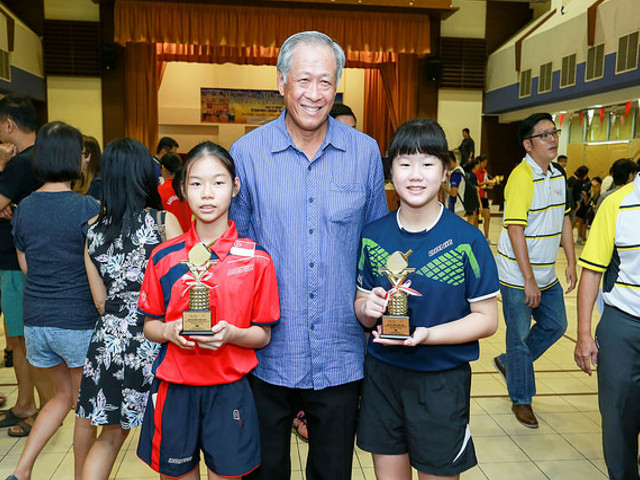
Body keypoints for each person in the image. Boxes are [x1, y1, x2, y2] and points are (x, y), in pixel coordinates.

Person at [229, 31, 387, 480]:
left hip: (341, 353)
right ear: (281, 82)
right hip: (268, 353)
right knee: (263, 472)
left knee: (333, 472)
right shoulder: (247, 153)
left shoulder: (365, 152)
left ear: (337, 86)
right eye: (304, 80)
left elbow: (374, 249)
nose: (315, 94)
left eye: (326, 82)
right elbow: (238, 253)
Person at [354, 118, 499, 480]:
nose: (415, 175)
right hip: (382, 377)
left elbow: (487, 318)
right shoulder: (373, 236)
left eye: (427, 163)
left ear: (445, 171)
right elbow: (361, 308)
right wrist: (367, 308)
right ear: (391, 171)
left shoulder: (468, 240)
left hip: (440, 380)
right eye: (404, 163)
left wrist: (428, 335)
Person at [137, 141, 280, 479]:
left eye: (218, 182)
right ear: (183, 189)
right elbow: (150, 325)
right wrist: (169, 331)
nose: (207, 194)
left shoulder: (257, 259)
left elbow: (263, 334)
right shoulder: (164, 257)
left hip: (230, 388)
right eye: (196, 183)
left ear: (235, 187)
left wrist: (232, 334)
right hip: (175, 387)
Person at [74, 138, 182, 480]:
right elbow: (182, 290)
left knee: (109, 436)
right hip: (157, 337)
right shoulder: (164, 223)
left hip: (110, 341)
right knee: (171, 436)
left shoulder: (92, 231)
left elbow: (100, 301)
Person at [8, 121, 101, 480]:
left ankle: (23, 469)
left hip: (36, 321)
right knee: (83, 407)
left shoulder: (25, 208)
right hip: (75, 320)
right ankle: (82, 476)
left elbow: (26, 266)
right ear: (74, 158)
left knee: (60, 397)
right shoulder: (86, 207)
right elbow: (96, 267)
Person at [492, 113, 577, 428]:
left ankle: (510, 364)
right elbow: (514, 228)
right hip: (518, 275)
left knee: (556, 324)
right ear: (528, 144)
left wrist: (570, 260)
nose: (552, 138)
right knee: (518, 337)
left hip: (546, 273)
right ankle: (522, 399)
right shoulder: (521, 177)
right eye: (544, 135)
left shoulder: (558, 175)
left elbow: (564, 218)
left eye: (553, 132)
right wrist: (528, 280)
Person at [574, 170, 640, 480]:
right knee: (618, 417)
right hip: (623, 326)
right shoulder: (616, 203)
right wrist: (584, 334)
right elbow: (591, 271)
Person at [0, 94, 47, 438]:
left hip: (13, 262)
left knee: (19, 340)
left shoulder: (17, 164)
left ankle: (28, 406)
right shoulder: (42, 157)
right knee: (20, 339)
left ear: (9, 125)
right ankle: (26, 404)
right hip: (29, 258)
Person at [158, 152, 193, 232]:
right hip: (189, 238)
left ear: (163, 168)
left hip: (171, 239)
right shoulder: (188, 188)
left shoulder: (160, 191)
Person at [475, 155, 496, 244]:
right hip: (477, 196)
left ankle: (486, 237)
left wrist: (491, 184)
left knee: (487, 217)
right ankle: (476, 238)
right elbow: (477, 184)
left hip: (484, 196)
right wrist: (486, 182)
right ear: (479, 162)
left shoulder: (485, 172)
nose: (485, 164)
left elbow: (486, 185)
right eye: (484, 163)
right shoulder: (475, 172)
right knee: (476, 219)